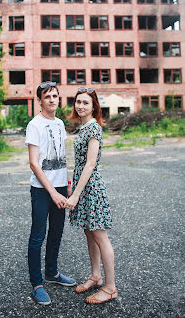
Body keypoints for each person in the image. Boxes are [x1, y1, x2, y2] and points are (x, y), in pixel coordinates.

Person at [64, 87, 118, 305]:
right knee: (89, 232)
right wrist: (73, 186)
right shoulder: (84, 127)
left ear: (94, 106)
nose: (80, 106)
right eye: (78, 102)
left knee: (100, 235)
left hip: (91, 189)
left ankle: (110, 287)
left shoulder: (94, 128)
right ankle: (96, 277)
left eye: (86, 103)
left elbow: (90, 164)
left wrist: (75, 194)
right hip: (82, 186)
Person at [25, 81, 76, 305]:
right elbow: (34, 164)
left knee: (56, 232)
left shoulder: (59, 123)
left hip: (60, 187)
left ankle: (52, 273)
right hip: (41, 189)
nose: (52, 100)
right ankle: (37, 284)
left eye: (55, 96)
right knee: (38, 236)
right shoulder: (34, 125)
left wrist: (66, 184)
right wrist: (53, 193)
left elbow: (62, 157)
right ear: (39, 101)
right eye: (47, 97)